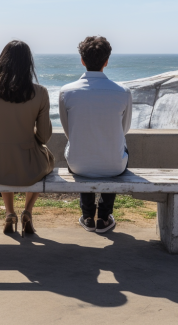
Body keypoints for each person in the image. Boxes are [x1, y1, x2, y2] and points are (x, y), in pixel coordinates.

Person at [0, 40, 55, 236]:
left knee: (5, 157)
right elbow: (44, 136)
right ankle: (27, 210)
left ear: (1, 61)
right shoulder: (40, 92)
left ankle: (10, 213)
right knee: (45, 158)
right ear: (29, 63)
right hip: (29, 165)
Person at [59, 36, 132, 234]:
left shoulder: (67, 92)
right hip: (114, 166)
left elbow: (68, 131)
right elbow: (124, 130)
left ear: (82, 60)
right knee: (121, 148)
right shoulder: (123, 92)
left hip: (78, 165)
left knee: (80, 146)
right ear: (106, 61)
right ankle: (104, 216)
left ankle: (88, 216)